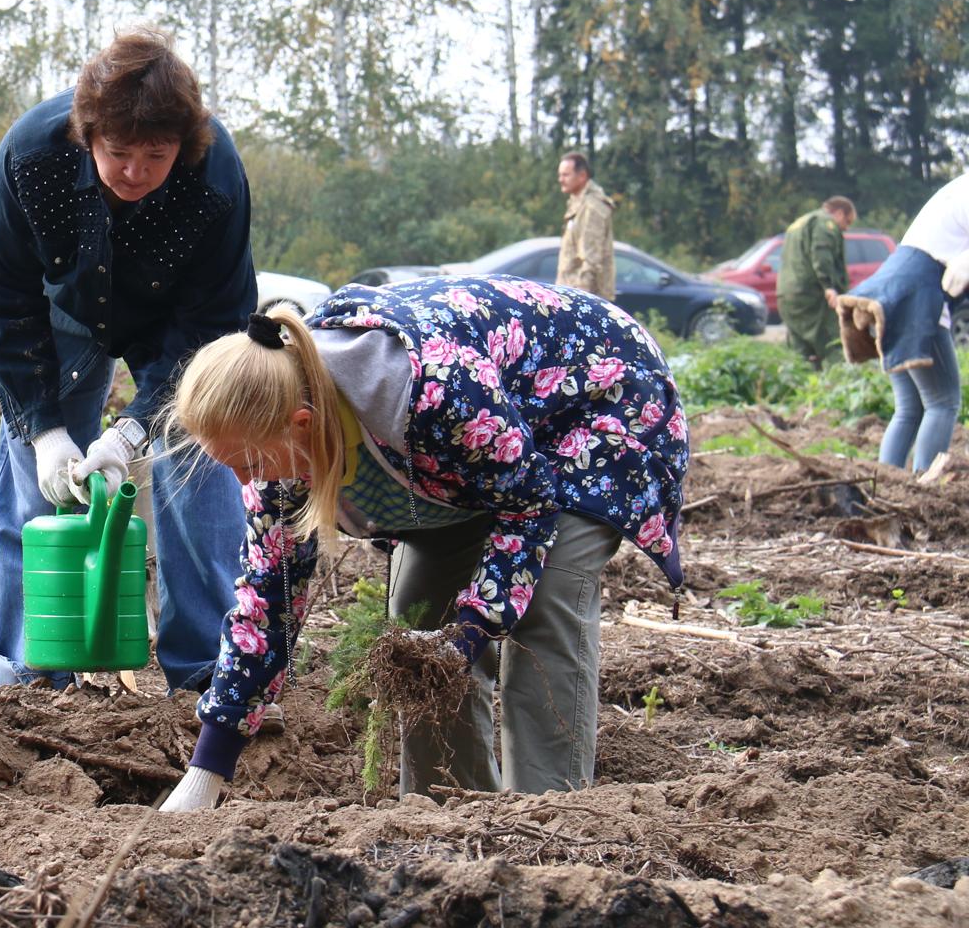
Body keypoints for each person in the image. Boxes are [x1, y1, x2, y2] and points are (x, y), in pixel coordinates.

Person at [158, 283, 688, 811]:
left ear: (302, 425)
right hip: (478, 459)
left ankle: (547, 818)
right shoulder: (278, 451)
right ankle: (444, 815)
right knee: (420, 618)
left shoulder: (432, 391)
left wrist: (473, 633)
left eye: (248, 464)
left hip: (596, 404)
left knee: (544, 604)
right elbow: (265, 612)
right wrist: (207, 771)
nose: (245, 481)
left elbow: (528, 506)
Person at [0, 28, 256, 692]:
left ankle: (209, 675)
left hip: (180, 322)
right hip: (64, 309)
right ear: (87, 135)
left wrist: (132, 429)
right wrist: (45, 432)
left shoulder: (214, 180)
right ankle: (33, 671)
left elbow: (215, 326)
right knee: (35, 484)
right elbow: (6, 308)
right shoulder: (31, 158)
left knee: (199, 461)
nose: (134, 171)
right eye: (118, 153)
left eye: (155, 156)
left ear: (183, 146)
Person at [839, 175, 969, 475]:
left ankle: (884, 482)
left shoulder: (954, 190)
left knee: (910, 408)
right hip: (916, 301)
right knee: (943, 402)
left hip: (886, 297)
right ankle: (925, 487)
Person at [778, 197, 855, 367]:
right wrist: (829, 287)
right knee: (833, 342)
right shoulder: (824, 223)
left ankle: (800, 388)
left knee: (799, 351)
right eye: (847, 221)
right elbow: (821, 256)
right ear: (839, 213)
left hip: (787, 296)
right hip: (813, 297)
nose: (846, 228)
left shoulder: (798, 223)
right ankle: (840, 383)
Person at [556, 151, 614, 300]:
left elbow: (591, 261)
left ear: (582, 176)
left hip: (583, 299)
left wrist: (580, 301)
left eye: (565, 175)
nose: (560, 180)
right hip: (569, 293)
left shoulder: (592, 208)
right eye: (560, 175)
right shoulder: (577, 204)